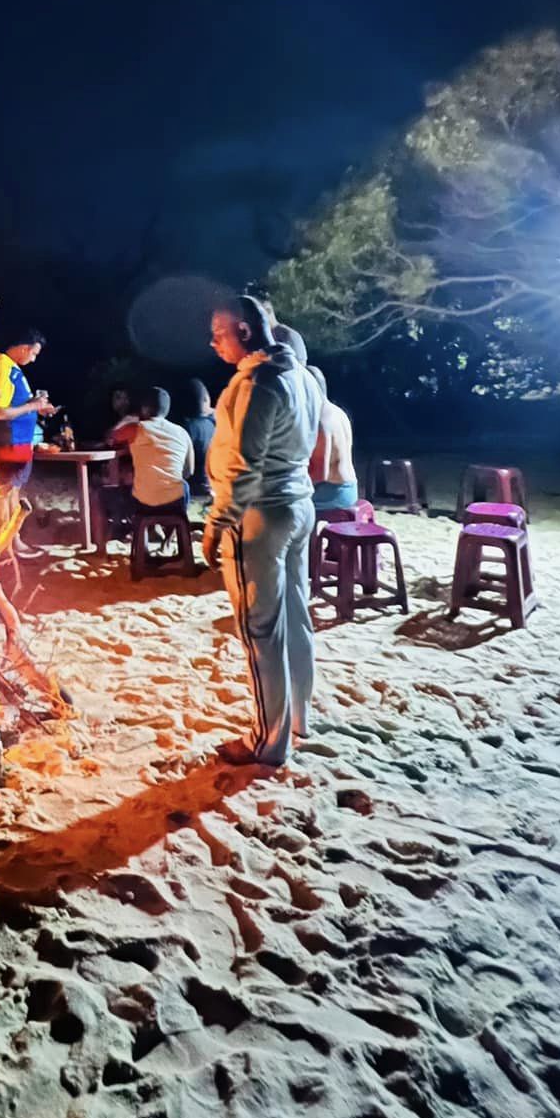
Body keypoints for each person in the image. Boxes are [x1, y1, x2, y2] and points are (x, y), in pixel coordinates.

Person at [202, 296, 321, 767]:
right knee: (295, 615)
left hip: (260, 514)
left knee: (261, 630)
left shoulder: (259, 383)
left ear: (245, 331)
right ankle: (298, 717)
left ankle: (267, 741)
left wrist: (218, 522)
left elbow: (245, 466)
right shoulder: (303, 377)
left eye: (219, 333)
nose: (213, 343)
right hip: (297, 505)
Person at [0, 324, 56, 491]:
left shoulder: (13, 368)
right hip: (10, 450)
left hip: (20, 449)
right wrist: (32, 405)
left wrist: (36, 406)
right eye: (34, 354)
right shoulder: (1, 365)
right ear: (24, 348)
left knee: (13, 498)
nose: (33, 359)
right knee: (4, 500)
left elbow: (16, 405)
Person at [128, 386, 195, 514]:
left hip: (143, 502)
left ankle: (136, 523)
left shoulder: (137, 428)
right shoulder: (182, 432)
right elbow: (189, 471)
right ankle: (178, 524)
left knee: (123, 489)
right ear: (166, 410)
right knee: (184, 486)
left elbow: (112, 437)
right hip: (175, 501)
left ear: (144, 408)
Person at [306, 365, 358, 514]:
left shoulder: (321, 420)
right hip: (349, 487)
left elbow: (320, 474)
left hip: (331, 494)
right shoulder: (338, 412)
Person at [180, 378, 215, 504]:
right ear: (205, 399)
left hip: (193, 490)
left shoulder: (185, 428)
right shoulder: (217, 424)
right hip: (213, 487)